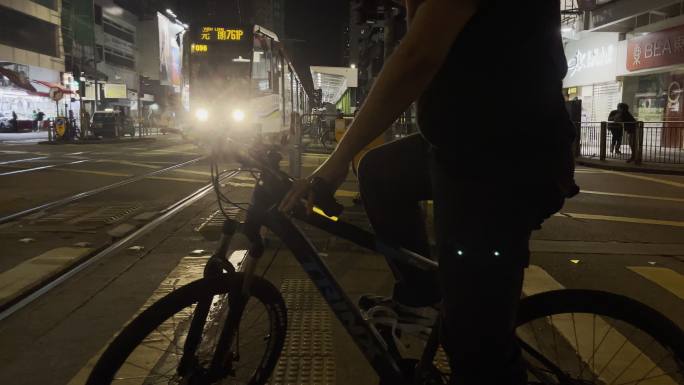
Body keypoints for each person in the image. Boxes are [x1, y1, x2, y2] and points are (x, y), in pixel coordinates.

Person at [280, 1, 578, 384]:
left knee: (475, 348)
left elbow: (418, 58)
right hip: (461, 147)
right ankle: (422, 301)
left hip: (504, 162)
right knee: (380, 171)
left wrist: (335, 164)